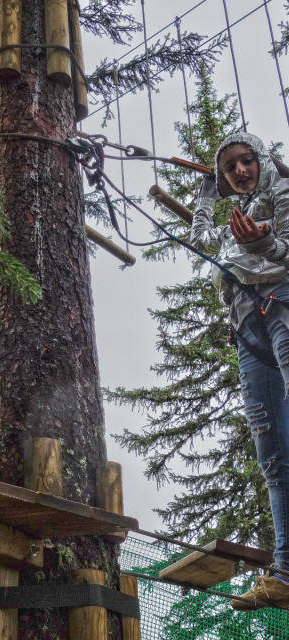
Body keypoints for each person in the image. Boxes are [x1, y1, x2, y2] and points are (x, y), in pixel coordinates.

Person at [190, 132, 289, 610]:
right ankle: (286, 573)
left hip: (285, 303)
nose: (240, 171)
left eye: (246, 161)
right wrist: (205, 198)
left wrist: (266, 241)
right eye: (230, 168)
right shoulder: (232, 214)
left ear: (260, 159)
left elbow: (287, 251)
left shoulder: (283, 192)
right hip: (247, 326)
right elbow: (202, 241)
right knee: (271, 453)